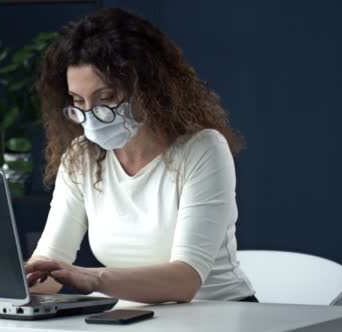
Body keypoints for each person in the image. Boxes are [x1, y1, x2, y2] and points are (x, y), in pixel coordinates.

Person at [23, 7, 257, 304]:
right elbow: (49, 268)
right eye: (79, 102)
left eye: (106, 98)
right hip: (135, 321)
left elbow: (185, 281)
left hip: (218, 315)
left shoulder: (202, 148)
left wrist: (92, 278)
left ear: (148, 89)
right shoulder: (80, 158)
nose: (91, 116)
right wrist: (13, 283)